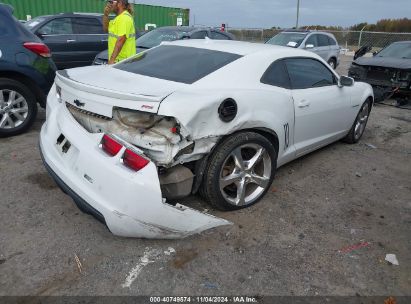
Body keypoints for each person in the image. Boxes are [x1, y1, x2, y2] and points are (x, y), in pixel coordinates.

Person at [103, 0, 136, 64]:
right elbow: (106, 29)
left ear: (120, 3)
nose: (108, 4)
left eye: (111, 2)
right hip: (119, 61)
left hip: (123, 62)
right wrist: (106, 15)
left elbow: (121, 40)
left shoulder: (125, 18)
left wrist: (111, 60)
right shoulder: (119, 18)